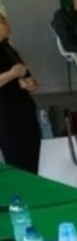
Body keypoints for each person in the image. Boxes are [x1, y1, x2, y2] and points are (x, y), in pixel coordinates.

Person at [0, 14, 40, 174]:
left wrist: (30, 84)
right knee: (17, 164)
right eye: (2, 23)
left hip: (24, 110)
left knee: (31, 160)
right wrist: (12, 74)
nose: (7, 26)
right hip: (6, 115)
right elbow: (15, 72)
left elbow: (29, 78)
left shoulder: (8, 48)